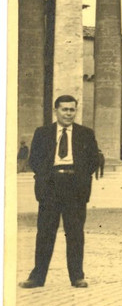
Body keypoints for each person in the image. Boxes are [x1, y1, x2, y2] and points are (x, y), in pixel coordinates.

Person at [20, 95, 99, 289]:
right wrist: (46, 177)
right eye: (64, 109)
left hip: (75, 187)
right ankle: (37, 277)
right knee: (45, 232)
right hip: (51, 186)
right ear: (56, 111)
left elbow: (93, 160)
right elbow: (34, 160)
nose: (68, 114)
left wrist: (80, 177)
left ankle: (77, 277)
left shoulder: (86, 134)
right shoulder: (43, 133)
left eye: (72, 110)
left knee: (75, 233)